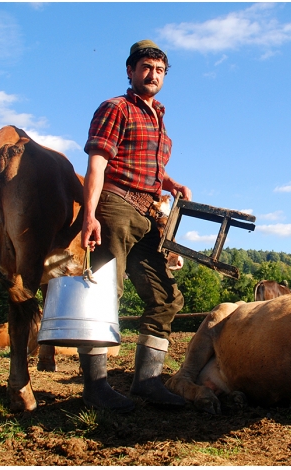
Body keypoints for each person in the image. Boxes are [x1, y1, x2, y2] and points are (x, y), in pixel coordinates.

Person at [80, 39, 192, 412]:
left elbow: (144, 165)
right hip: (114, 207)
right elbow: (98, 162)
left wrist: (168, 183)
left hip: (147, 214)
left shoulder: (158, 116)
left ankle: (147, 382)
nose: (153, 75)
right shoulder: (116, 108)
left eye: (160, 70)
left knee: (166, 298)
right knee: (103, 294)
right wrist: (89, 214)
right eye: (146, 67)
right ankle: (96, 388)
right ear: (130, 70)